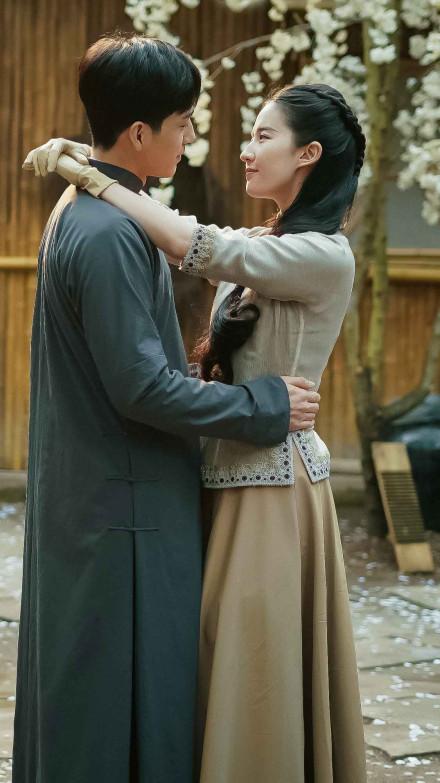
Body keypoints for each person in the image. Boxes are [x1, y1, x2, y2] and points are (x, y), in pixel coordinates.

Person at [24, 83, 367, 782]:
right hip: (223, 475)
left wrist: (94, 175)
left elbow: (189, 241)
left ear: (308, 154)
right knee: (216, 664)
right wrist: (94, 162)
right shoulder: (265, 242)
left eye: (264, 136)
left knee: (254, 678)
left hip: (272, 487)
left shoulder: (324, 255)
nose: (245, 150)